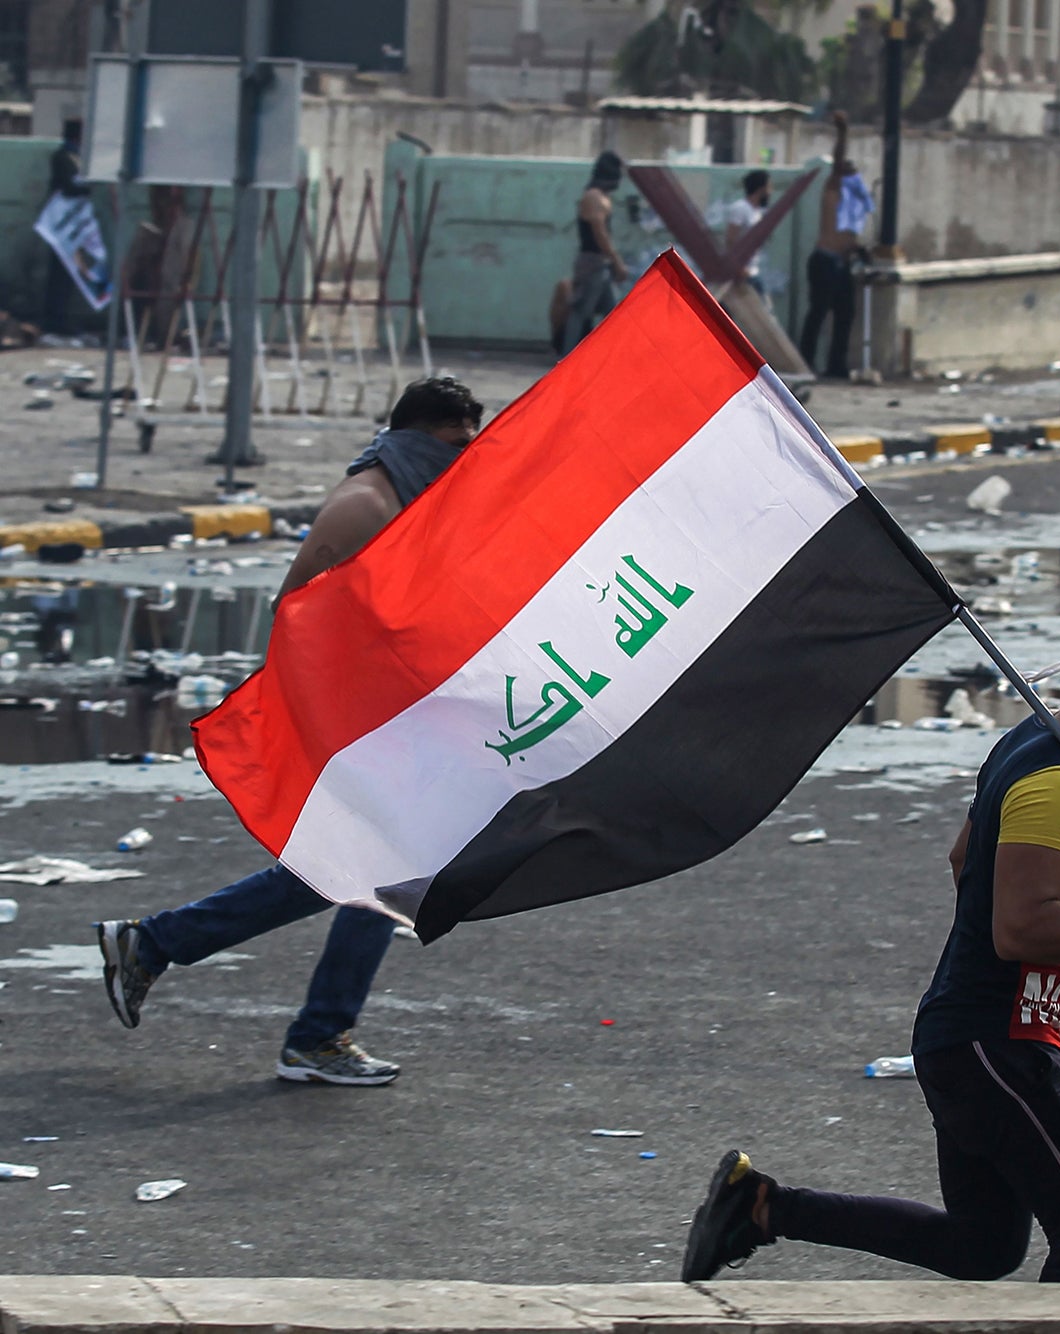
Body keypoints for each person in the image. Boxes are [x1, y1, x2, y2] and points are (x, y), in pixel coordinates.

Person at [680, 622, 1060, 1284]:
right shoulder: (1057, 784)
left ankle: (760, 1208)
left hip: (967, 1036)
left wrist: (1004, 934)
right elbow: (1018, 932)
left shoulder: (1032, 743)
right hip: (996, 1045)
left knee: (984, 1246)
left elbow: (963, 857)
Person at [94, 377, 487, 1086]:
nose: (463, 459)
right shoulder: (367, 505)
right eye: (453, 445)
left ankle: (157, 947)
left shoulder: (406, 497)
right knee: (383, 871)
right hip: (358, 720)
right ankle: (311, 1032)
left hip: (393, 715)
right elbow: (298, 616)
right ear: (415, 436)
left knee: (359, 871)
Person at [801, 111, 871, 380]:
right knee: (818, 313)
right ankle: (804, 362)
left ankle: (836, 365)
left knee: (845, 314)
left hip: (841, 265)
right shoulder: (833, 191)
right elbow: (838, 160)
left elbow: (848, 238)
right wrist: (843, 132)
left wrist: (858, 250)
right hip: (824, 261)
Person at [561, 152, 629, 354]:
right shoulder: (594, 197)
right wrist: (617, 261)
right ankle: (567, 358)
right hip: (592, 262)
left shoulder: (601, 197)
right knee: (581, 311)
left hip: (601, 263)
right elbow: (600, 234)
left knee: (613, 313)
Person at [41, 117, 87, 337]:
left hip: (73, 222)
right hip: (60, 223)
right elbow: (69, 187)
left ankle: (60, 318)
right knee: (60, 272)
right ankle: (53, 319)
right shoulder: (62, 157)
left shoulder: (75, 158)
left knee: (69, 273)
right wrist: (88, 187)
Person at [725, 169, 773, 297]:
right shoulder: (740, 208)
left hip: (753, 271)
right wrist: (738, 268)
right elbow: (730, 240)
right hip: (742, 273)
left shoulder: (757, 212)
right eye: (768, 187)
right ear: (761, 189)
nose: (770, 192)